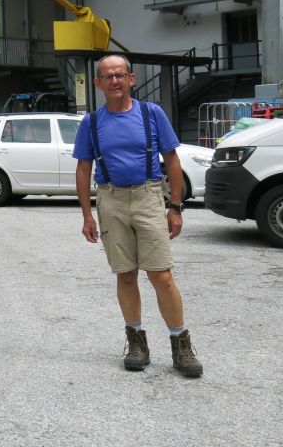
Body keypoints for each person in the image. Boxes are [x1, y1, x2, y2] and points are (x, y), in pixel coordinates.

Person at [73, 54, 203, 378]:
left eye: (120, 75)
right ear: (98, 83)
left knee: (162, 276)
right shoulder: (90, 122)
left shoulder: (151, 114)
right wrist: (87, 216)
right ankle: (136, 342)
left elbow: (172, 159)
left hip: (147, 197)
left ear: (131, 79)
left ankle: (181, 344)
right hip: (110, 199)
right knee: (126, 275)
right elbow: (83, 168)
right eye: (108, 76)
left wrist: (175, 207)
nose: (114, 81)